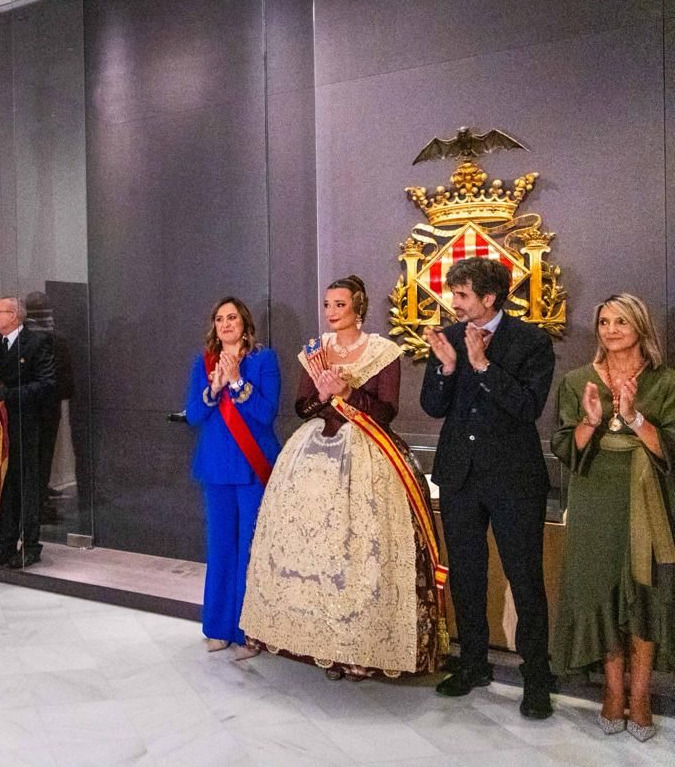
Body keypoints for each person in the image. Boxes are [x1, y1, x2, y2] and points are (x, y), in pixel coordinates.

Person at [241, 277, 446, 679]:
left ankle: (360, 649)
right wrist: (321, 394)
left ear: (358, 308)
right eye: (327, 304)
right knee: (313, 549)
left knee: (360, 550)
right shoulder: (315, 352)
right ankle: (320, 643)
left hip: (368, 453)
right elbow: (303, 407)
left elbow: (386, 411)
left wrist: (348, 393)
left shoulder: (383, 351)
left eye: (339, 304)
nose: (331, 311)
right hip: (314, 455)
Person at [421, 256, 556, 719]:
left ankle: (537, 678)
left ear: (489, 298)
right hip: (459, 476)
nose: (453, 303)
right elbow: (433, 407)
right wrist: (444, 369)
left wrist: (480, 365)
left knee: (525, 579)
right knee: (466, 573)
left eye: (461, 295)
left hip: (514, 480)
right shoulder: (450, 337)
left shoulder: (532, 341)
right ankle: (473, 663)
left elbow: (527, 407)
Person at [550, 293, 675, 741]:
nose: (611, 329)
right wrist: (590, 421)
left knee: (644, 592)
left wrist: (634, 417)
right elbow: (564, 445)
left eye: (621, 321)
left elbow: (671, 447)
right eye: (604, 321)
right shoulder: (578, 379)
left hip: (650, 499)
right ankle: (612, 689)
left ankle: (640, 695)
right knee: (600, 590)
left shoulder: (666, 382)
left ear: (641, 327)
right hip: (594, 496)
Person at [182, 296, 279, 657]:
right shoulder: (203, 362)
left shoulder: (263, 359)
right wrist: (215, 389)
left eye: (232, 317)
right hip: (216, 467)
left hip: (253, 467)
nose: (226, 323)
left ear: (244, 323)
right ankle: (219, 626)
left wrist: (238, 383)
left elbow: (267, 414)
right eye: (219, 318)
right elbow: (193, 415)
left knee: (251, 550)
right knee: (221, 547)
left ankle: (249, 631)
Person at [0, 297, 57, 569]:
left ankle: (31, 546)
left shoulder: (36, 343)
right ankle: (4, 545)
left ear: (13, 315)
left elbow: (47, 384)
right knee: (5, 488)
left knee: (27, 486)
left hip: (27, 425)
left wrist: (9, 394)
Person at [24, 292, 75, 525]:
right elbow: (64, 379)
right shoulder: (57, 339)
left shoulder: (21, 338)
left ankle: (35, 498)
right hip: (47, 405)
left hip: (24, 405)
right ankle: (38, 501)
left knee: (31, 457)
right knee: (42, 456)